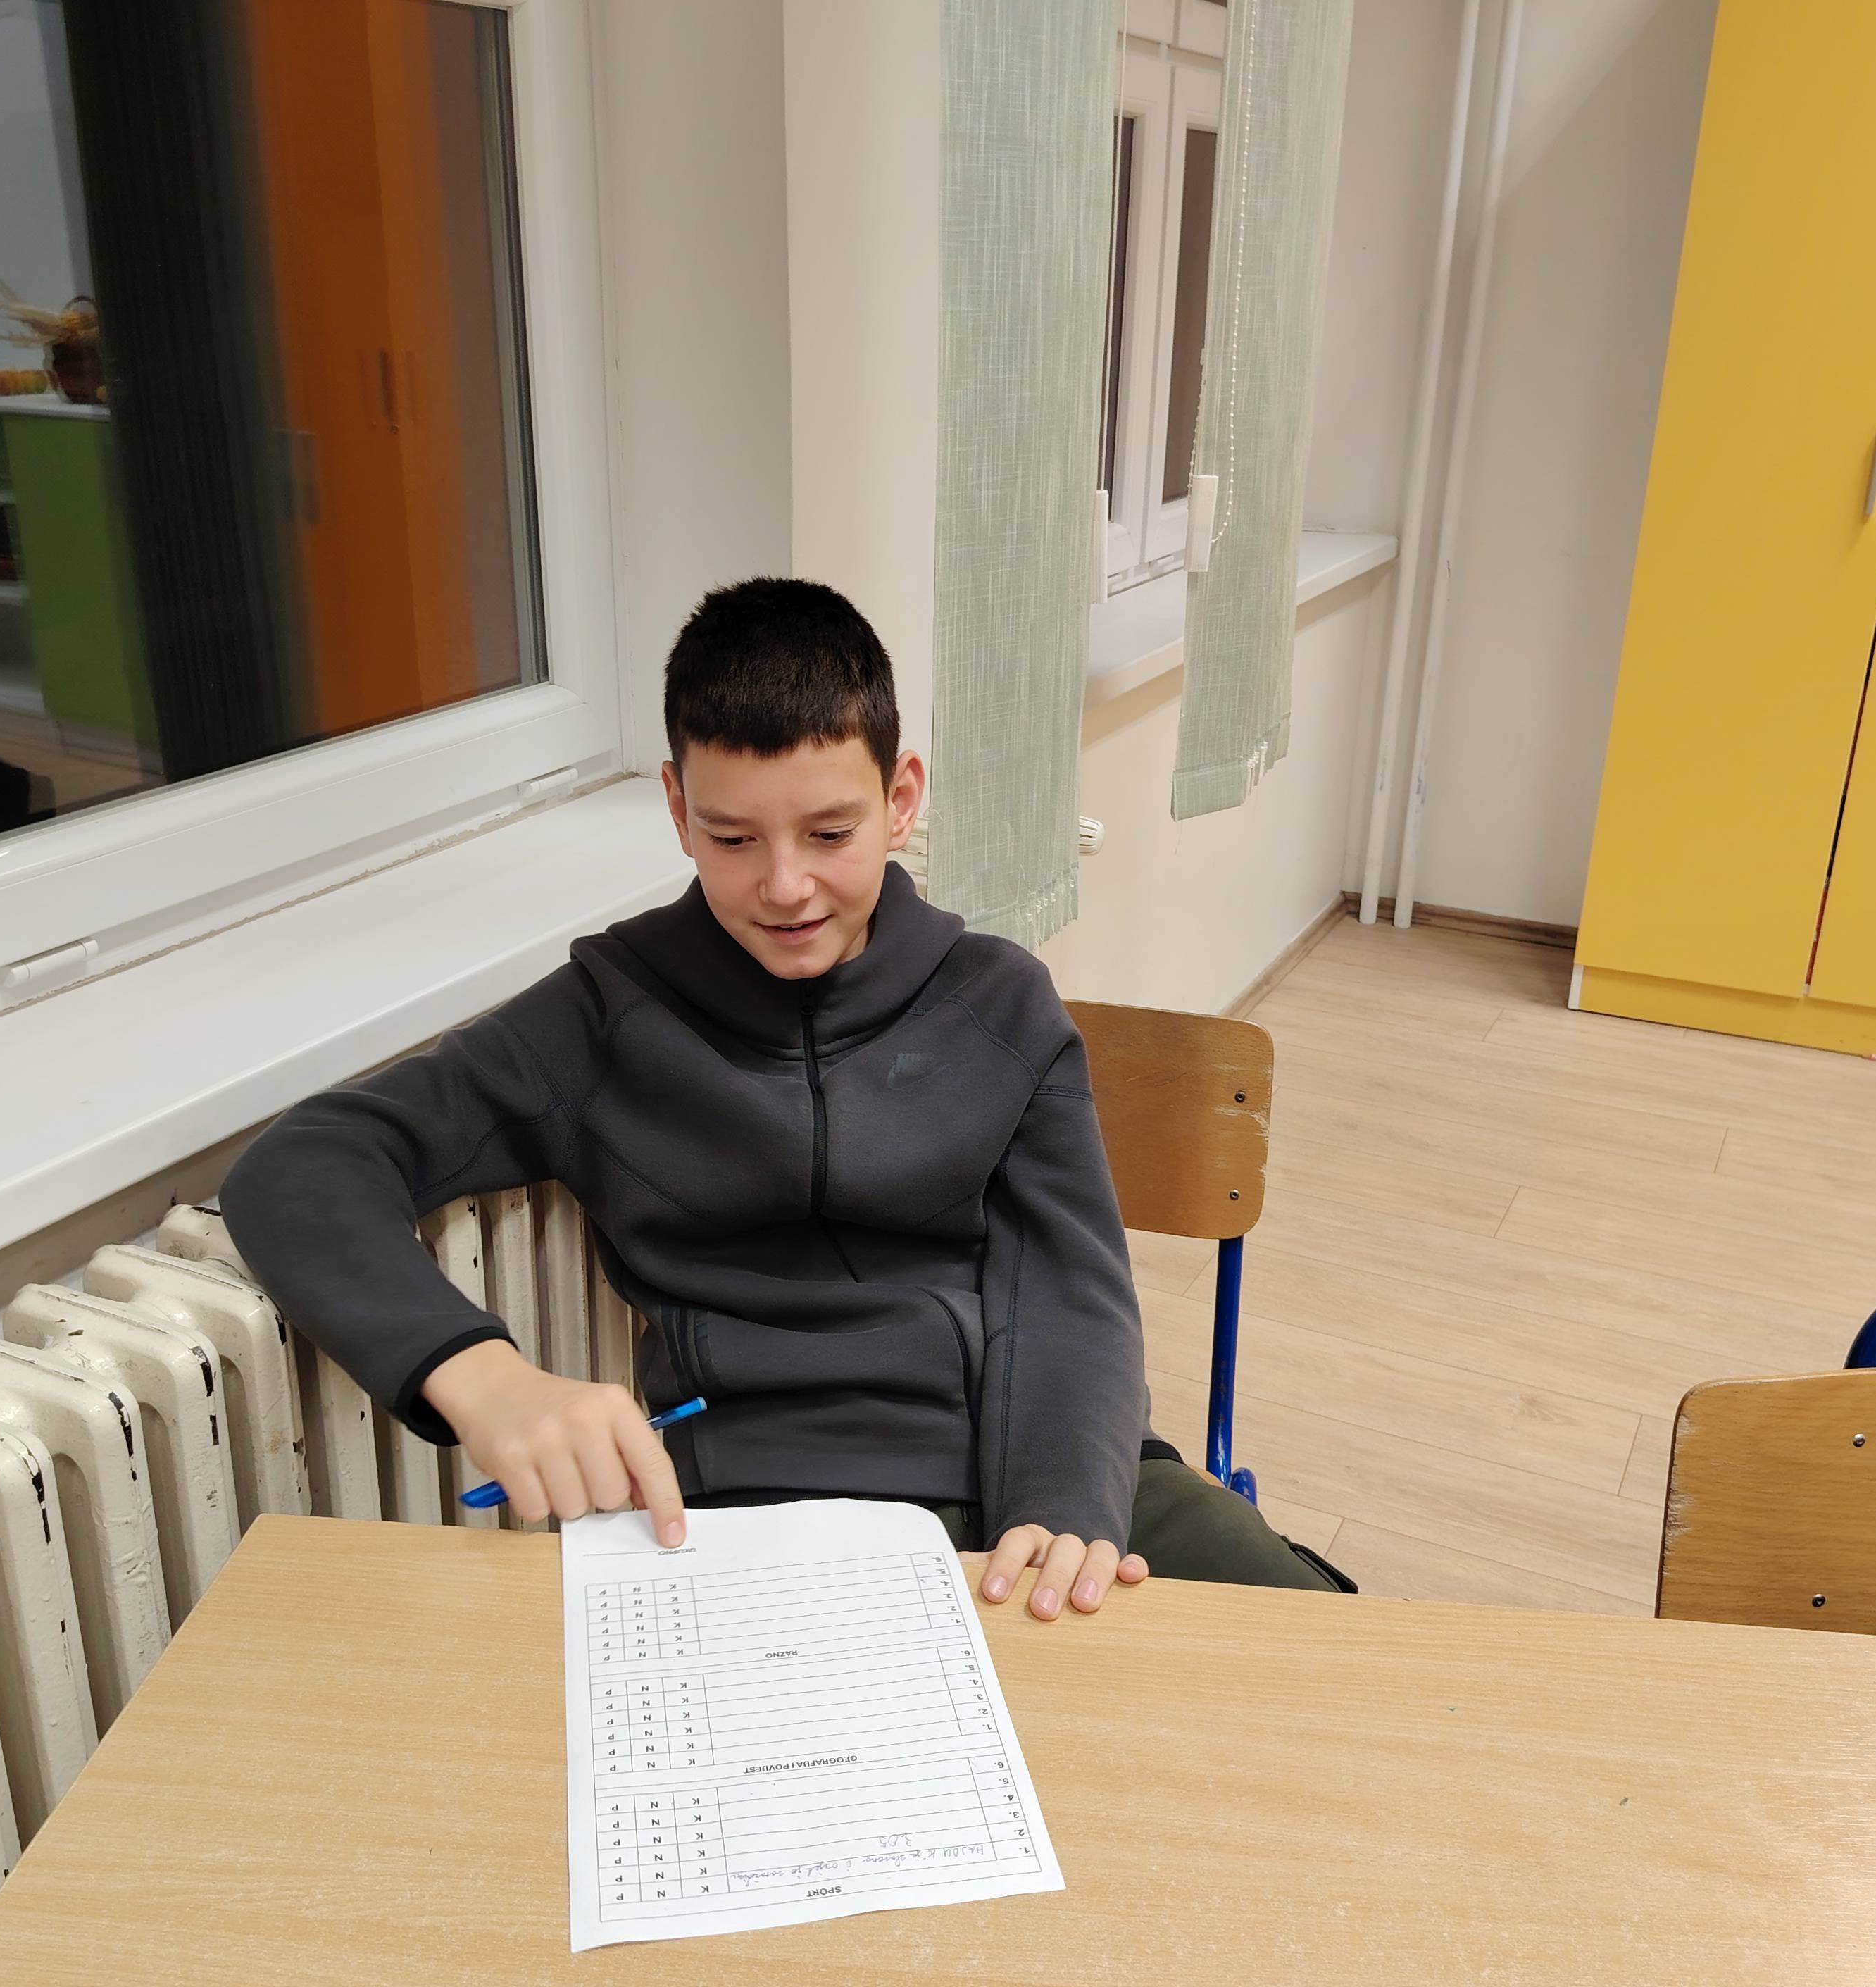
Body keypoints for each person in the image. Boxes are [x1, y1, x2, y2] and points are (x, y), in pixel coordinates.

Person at [220, 577, 1346, 1618]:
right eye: (732, 838)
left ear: (901, 799)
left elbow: (1070, 1291)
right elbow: (302, 1165)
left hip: (1025, 1465)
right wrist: (482, 1377)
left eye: (830, 833)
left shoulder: (1002, 1004)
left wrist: (1060, 1502)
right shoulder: (603, 1016)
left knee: (1349, 1662)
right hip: (743, 1505)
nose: (786, 885)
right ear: (677, 810)